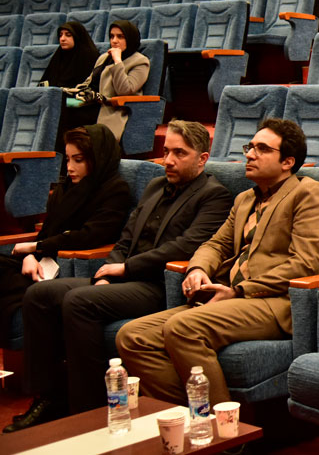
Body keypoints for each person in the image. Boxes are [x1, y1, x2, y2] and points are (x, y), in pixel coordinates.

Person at [7, 121, 232, 428]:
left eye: (179, 153)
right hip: (123, 280)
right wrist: (107, 274)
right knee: (39, 294)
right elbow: (126, 238)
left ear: (202, 158)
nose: (168, 160)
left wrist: (125, 268)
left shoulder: (214, 195)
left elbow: (186, 245)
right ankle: (48, 397)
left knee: (79, 301)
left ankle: (88, 410)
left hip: (158, 285)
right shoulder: (155, 186)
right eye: (166, 151)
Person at [117, 119, 319, 408]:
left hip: (275, 302)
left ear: (287, 162)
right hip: (230, 298)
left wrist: (239, 290)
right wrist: (198, 269)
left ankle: (220, 427)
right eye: (250, 147)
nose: (250, 155)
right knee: (133, 336)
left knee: (183, 327)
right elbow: (215, 244)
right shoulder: (245, 199)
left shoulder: (307, 193)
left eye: (262, 149)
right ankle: (188, 416)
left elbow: (305, 264)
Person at [0, 125, 131, 371]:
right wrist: (30, 255)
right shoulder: (65, 189)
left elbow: (89, 236)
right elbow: (47, 233)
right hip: (40, 262)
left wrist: (37, 248)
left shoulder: (115, 190)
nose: (69, 167)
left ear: (96, 159)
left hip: (66, 268)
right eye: (68, 159)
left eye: (78, 160)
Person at [59, 20, 150, 143]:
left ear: (130, 38)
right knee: (62, 105)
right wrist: (70, 91)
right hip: (89, 103)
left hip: (109, 108)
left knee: (69, 116)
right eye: (112, 36)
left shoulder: (140, 62)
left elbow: (124, 90)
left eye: (120, 37)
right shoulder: (104, 58)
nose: (114, 41)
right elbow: (88, 83)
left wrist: (118, 61)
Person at [39, 21, 98, 88]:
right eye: (60, 35)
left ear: (77, 36)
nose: (62, 39)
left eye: (68, 35)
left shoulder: (89, 56)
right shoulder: (59, 55)